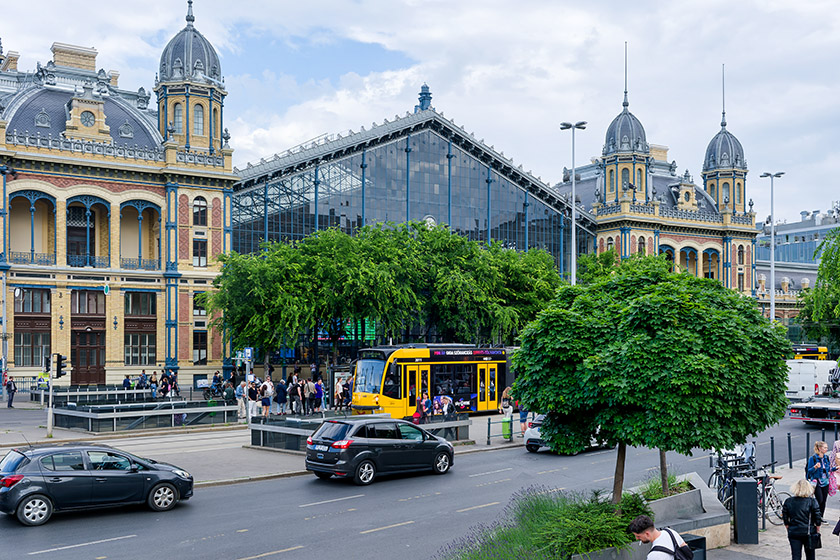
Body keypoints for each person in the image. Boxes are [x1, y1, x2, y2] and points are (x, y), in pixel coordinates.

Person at [782, 479, 822, 560]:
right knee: (810, 556)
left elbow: (785, 517)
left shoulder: (788, 501)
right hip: (809, 532)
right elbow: (818, 517)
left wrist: (788, 526)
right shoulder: (812, 501)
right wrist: (817, 528)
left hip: (794, 531)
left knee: (796, 556)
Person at [806, 440, 835, 516]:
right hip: (817, 482)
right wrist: (815, 467)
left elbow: (828, 469)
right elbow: (809, 471)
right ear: (819, 448)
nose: (826, 449)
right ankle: (815, 516)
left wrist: (834, 468)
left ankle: (820, 517)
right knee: (820, 500)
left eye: (827, 447)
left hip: (826, 482)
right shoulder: (813, 458)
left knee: (824, 501)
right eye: (825, 447)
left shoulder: (826, 458)